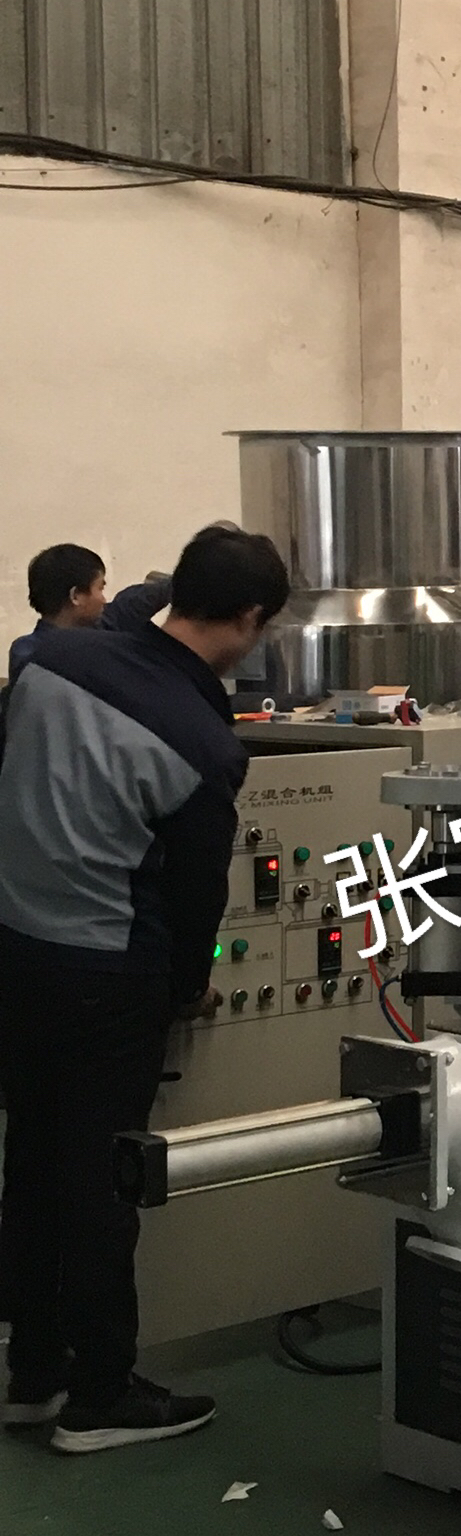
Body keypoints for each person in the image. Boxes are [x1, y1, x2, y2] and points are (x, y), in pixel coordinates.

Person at [0, 521, 290, 1451]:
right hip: (107, 974)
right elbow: (196, 895)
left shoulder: (50, 662)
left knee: (31, 1167)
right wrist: (185, 987)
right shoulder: (203, 744)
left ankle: (33, 1374)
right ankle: (101, 1394)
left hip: (19, 954)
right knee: (101, 1183)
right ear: (249, 619)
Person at [10, 544, 111, 676]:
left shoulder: (25, 649)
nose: (103, 600)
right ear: (75, 596)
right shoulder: (31, 654)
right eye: (100, 588)